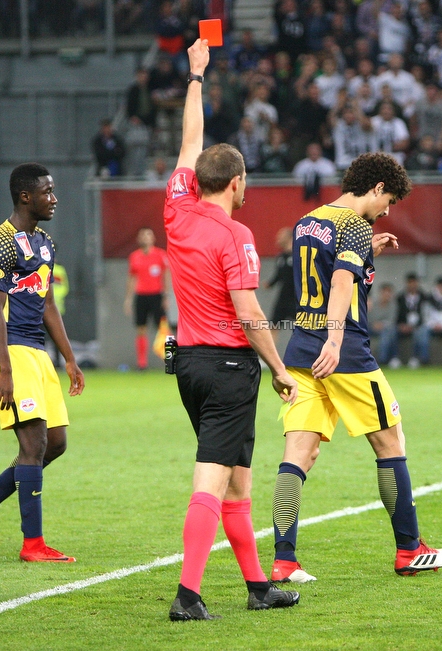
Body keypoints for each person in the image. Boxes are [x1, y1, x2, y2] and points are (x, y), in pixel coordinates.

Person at [272, 151, 442, 585]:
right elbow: (339, 283)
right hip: (345, 351)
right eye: (388, 201)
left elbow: (324, 269)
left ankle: (284, 561)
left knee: (299, 452)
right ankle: (410, 550)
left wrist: (366, 252)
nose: (387, 211)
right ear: (375, 188)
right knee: (391, 441)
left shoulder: (308, 221)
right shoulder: (354, 224)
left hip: (301, 347)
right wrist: (336, 340)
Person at [163, 38, 299, 622]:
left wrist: (197, 75)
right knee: (212, 482)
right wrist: (278, 366)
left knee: (239, 481)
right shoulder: (236, 236)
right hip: (226, 367)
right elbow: (248, 313)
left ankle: (256, 585)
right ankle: (188, 596)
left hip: (190, 363)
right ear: (238, 182)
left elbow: (190, 141)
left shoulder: (175, 206)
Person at [0, 163, 85, 564]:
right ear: (26, 196)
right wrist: (5, 368)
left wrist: (68, 357)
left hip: (37, 351)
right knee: (33, 445)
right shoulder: (0, 242)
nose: (54, 198)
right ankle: (33, 544)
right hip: (8, 349)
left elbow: (47, 304)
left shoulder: (45, 242)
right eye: (47, 191)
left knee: (56, 443)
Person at [124, 227, 168, 371]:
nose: (145, 238)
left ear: (153, 238)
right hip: (141, 296)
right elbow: (131, 278)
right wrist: (129, 299)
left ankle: (171, 360)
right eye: (142, 235)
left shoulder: (160, 255)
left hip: (157, 295)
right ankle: (142, 364)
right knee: (141, 329)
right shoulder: (134, 256)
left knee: (163, 329)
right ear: (138, 239)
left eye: (148, 235)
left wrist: (166, 296)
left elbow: (166, 276)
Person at [389, 272, 430, 369]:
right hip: (402, 324)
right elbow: (396, 314)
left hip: (418, 325)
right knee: (392, 331)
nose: (412, 285)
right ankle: (395, 358)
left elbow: (425, 314)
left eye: (414, 282)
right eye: (410, 282)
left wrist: (415, 326)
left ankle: (417, 358)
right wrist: (401, 325)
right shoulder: (400, 297)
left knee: (421, 332)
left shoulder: (424, 297)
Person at [264, 227, 296, 346]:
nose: (277, 239)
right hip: (283, 298)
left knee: (303, 327)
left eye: (280, 236)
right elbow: (279, 275)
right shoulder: (281, 257)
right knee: (273, 326)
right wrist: (270, 284)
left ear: (288, 238)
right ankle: (269, 357)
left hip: (297, 298)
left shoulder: (298, 255)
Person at [47, 261, 69, 366]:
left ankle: (58, 362)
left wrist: (53, 299)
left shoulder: (59, 270)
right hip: (41, 309)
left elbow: (64, 287)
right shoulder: (40, 267)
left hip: (56, 309)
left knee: (57, 337)